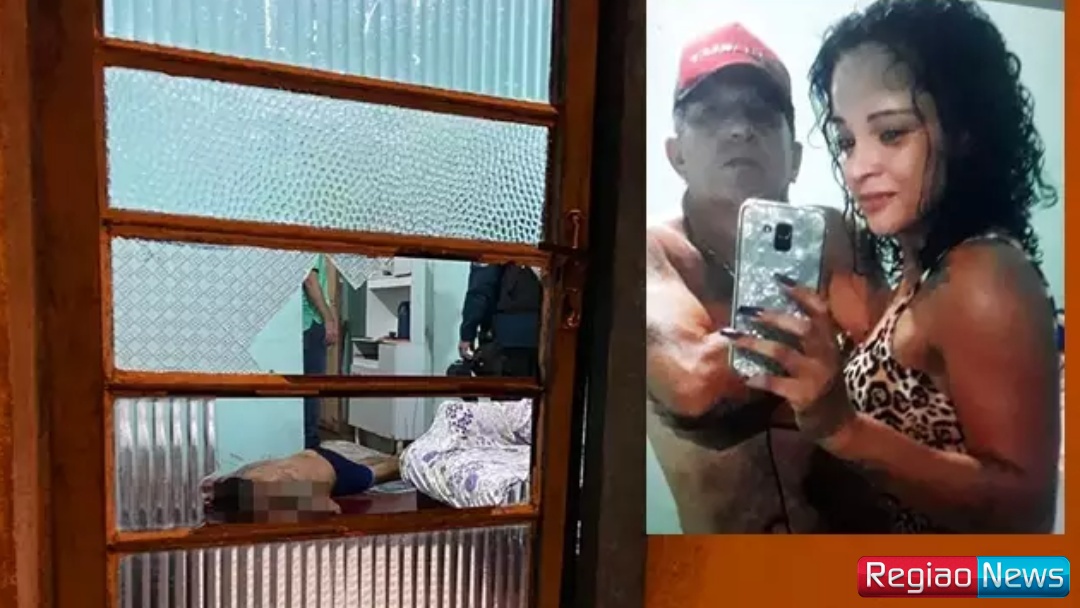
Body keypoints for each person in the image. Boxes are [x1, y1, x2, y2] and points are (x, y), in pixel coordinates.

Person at [724, 0, 1060, 532]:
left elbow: (1024, 514)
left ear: (964, 132)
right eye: (846, 140)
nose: (858, 167)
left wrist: (842, 428)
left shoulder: (982, 276)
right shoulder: (925, 268)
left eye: (892, 133)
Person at [646, 23, 883, 533]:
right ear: (676, 154)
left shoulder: (841, 236)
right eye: (711, 113)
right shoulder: (651, 253)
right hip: (726, 566)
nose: (739, 129)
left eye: (760, 112)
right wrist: (817, 306)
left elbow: (900, 375)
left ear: (794, 158)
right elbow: (694, 384)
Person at [458, 263, 542, 377]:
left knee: (509, 385)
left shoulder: (491, 251)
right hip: (555, 332)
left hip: (508, 335)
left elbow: (481, 290)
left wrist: (467, 334)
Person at [302, 254, 340, 449]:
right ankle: (310, 444)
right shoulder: (311, 247)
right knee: (311, 387)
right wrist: (327, 318)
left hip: (306, 322)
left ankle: (306, 442)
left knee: (307, 387)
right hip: (310, 322)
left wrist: (332, 318)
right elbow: (310, 280)